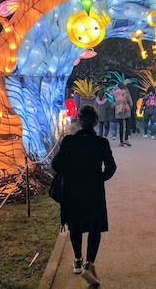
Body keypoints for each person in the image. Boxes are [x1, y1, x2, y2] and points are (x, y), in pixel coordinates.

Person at [52, 105, 117, 285]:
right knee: (95, 227)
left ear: (79, 121)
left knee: (76, 225)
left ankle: (77, 260)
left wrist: (70, 172)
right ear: (96, 122)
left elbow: (56, 165)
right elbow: (111, 168)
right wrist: (99, 178)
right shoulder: (101, 143)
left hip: (73, 190)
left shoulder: (69, 141)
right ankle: (90, 263)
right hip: (94, 191)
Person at [112, 82, 133, 147]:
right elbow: (131, 103)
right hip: (126, 111)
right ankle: (126, 139)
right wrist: (129, 107)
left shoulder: (115, 93)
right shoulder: (127, 93)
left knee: (121, 127)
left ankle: (121, 141)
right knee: (127, 126)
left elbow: (113, 103)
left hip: (119, 112)